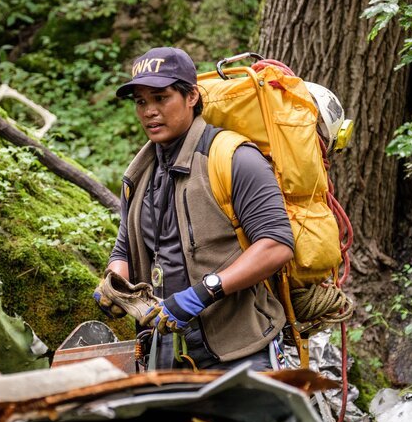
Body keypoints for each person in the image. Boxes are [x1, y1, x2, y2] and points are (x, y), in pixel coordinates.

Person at [102, 46, 294, 371]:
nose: (149, 111)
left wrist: (203, 293)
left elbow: (276, 245)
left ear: (191, 96)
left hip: (240, 350)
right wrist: (115, 281)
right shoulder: (140, 173)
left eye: (161, 98)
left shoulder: (234, 159)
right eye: (141, 102)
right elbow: (125, 248)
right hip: (164, 350)